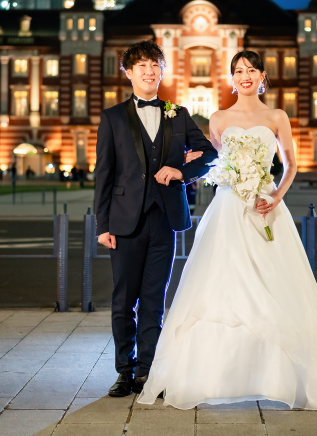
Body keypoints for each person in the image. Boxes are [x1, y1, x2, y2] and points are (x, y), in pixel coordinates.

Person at [136, 50, 317, 410]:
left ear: (263, 76)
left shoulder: (276, 116)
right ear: (231, 78)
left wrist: (275, 195)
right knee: (221, 285)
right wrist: (209, 171)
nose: (245, 76)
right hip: (227, 209)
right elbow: (218, 161)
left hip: (266, 208)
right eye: (238, 71)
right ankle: (211, 374)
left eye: (251, 70)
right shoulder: (219, 119)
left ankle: (286, 373)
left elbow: (291, 162)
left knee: (276, 286)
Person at [94, 39, 218, 398]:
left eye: (155, 66)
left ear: (162, 72)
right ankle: (124, 370)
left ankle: (147, 371)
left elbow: (209, 153)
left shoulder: (177, 113)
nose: (149, 72)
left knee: (154, 298)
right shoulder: (113, 117)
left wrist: (179, 169)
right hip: (123, 222)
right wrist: (103, 226)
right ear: (129, 73)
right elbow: (104, 174)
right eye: (142, 67)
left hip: (165, 219)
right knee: (123, 300)